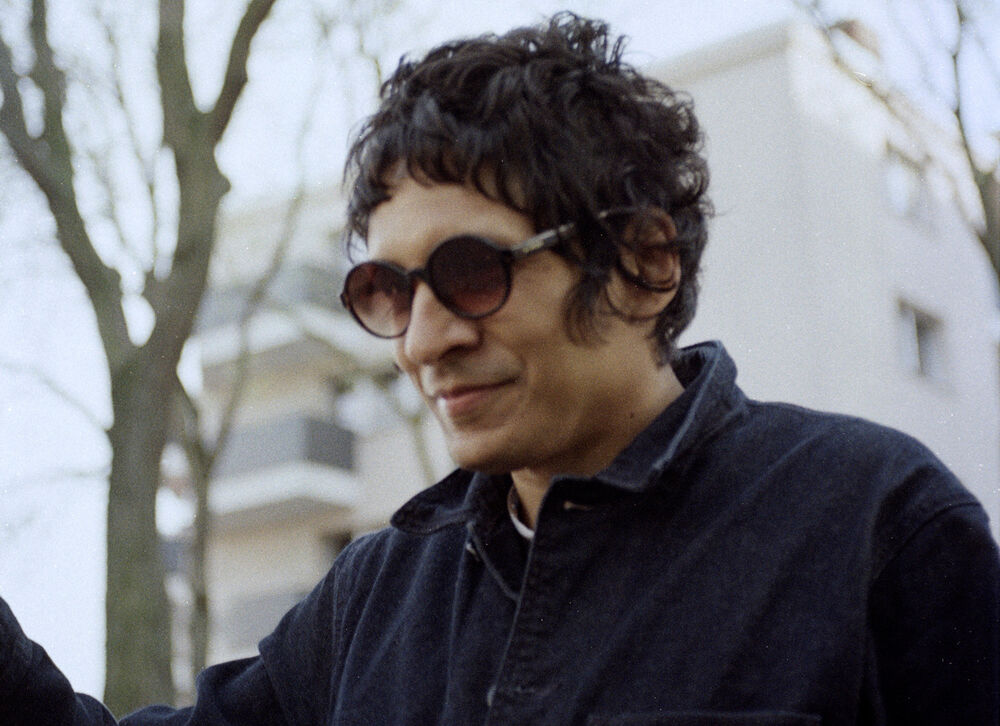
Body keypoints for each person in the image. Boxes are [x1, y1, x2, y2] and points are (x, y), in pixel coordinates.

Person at [2, 11, 998, 726]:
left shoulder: (876, 526)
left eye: (471, 272)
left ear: (645, 262)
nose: (421, 340)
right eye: (388, 290)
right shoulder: (374, 599)